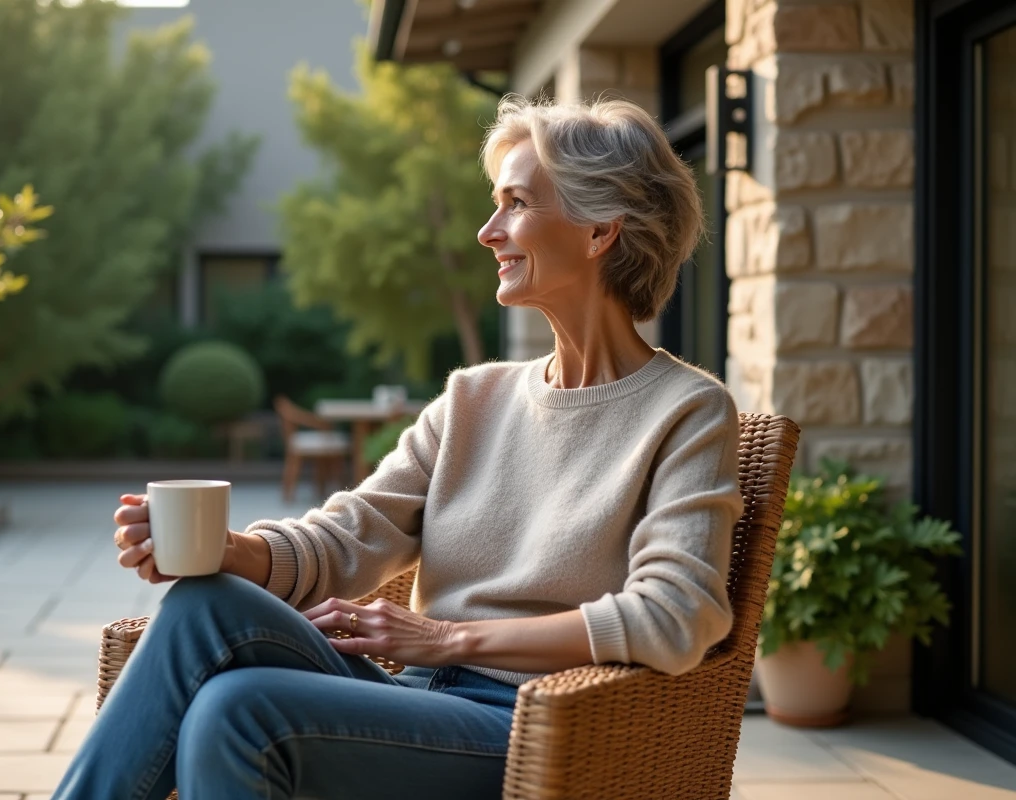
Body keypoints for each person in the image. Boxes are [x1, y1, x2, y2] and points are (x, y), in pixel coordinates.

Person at [51, 96, 743, 800]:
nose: (487, 231)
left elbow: (676, 616)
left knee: (238, 710)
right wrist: (229, 550)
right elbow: (351, 536)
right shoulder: (474, 398)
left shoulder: (687, 411)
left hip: (529, 725)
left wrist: (446, 641)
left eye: (515, 203)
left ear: (600, 231)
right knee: (203, 602)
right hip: (410, 699)